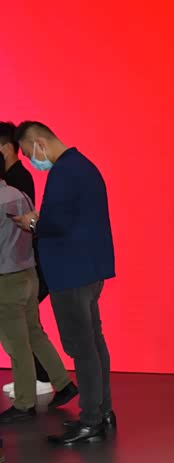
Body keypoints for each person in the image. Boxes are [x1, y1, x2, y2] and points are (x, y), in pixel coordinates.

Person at [12, 121, 116, 445]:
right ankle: (103, 412)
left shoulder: (64, 172)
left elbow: (56, 223)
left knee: (82, 348)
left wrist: (32, 223)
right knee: (94, 343)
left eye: (30, 153)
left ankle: (90, 420)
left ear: (40, 143)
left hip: (71, 274)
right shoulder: (83, 166)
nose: (33, 161)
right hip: (89, 270)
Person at [0, 178, 78, 425]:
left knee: (17, 343)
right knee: (34, 333)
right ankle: (63, 383)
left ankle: (24, 403)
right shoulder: (20, 194)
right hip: (28, 273)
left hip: (6, 279)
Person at [0, 121, 54, 397]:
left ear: (5, 148)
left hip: (17, 268)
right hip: (20, 265)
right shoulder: (17, 178)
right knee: (26, 326)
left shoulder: (16, 180)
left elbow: (18, 228)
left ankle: (39, 378)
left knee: (23, 327)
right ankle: (41, 378)